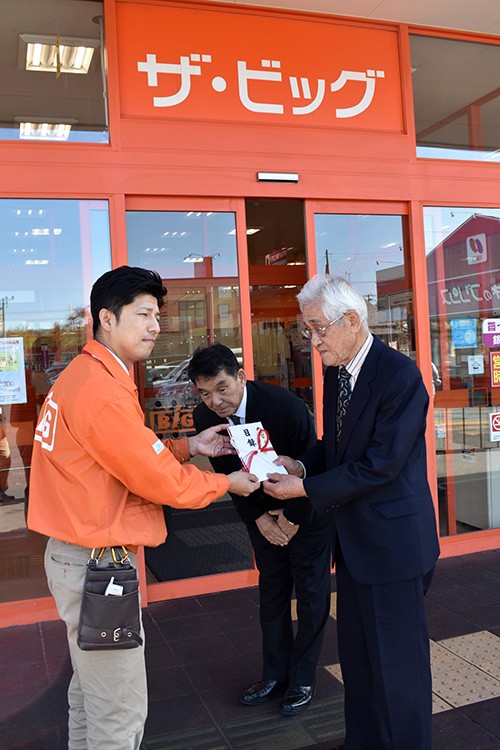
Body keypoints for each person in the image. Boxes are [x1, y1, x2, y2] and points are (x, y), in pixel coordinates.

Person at [27, 266, 259, 750]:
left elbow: (124, 458)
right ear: (107, 319)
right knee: (119, 713)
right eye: (144, 314)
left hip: (78, 558)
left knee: (91, 696)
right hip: (97, 569)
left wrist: (188, 446)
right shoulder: (102, 390)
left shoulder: (85, 376)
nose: (155, 326)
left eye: (157, 315)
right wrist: (227, 483)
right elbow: (159, 481)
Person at [263, 274, 440, 750]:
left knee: (398, 672)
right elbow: (337, 447)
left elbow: (380, 464)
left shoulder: (400, 376)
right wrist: (301, 464)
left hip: (394, 548)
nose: (313, 340)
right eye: (307, 330)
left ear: (352, 320)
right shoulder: (338, 371)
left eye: (318, 328)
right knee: (359, 664)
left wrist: (305, 488)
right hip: (355, 545)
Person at [188, 343, 332, 716]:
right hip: (261, 517)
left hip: (306, 514)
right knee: (272, 596)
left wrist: (291, 518)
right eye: (205, 393)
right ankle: (274, 675)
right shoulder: (205, 419)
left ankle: (302, 679)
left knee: (312, 597)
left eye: (222, 388)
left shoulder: (284, 406)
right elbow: (227, 477)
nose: (215, 401)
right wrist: (261, 520)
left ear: (240, 377)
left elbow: (313, 464)